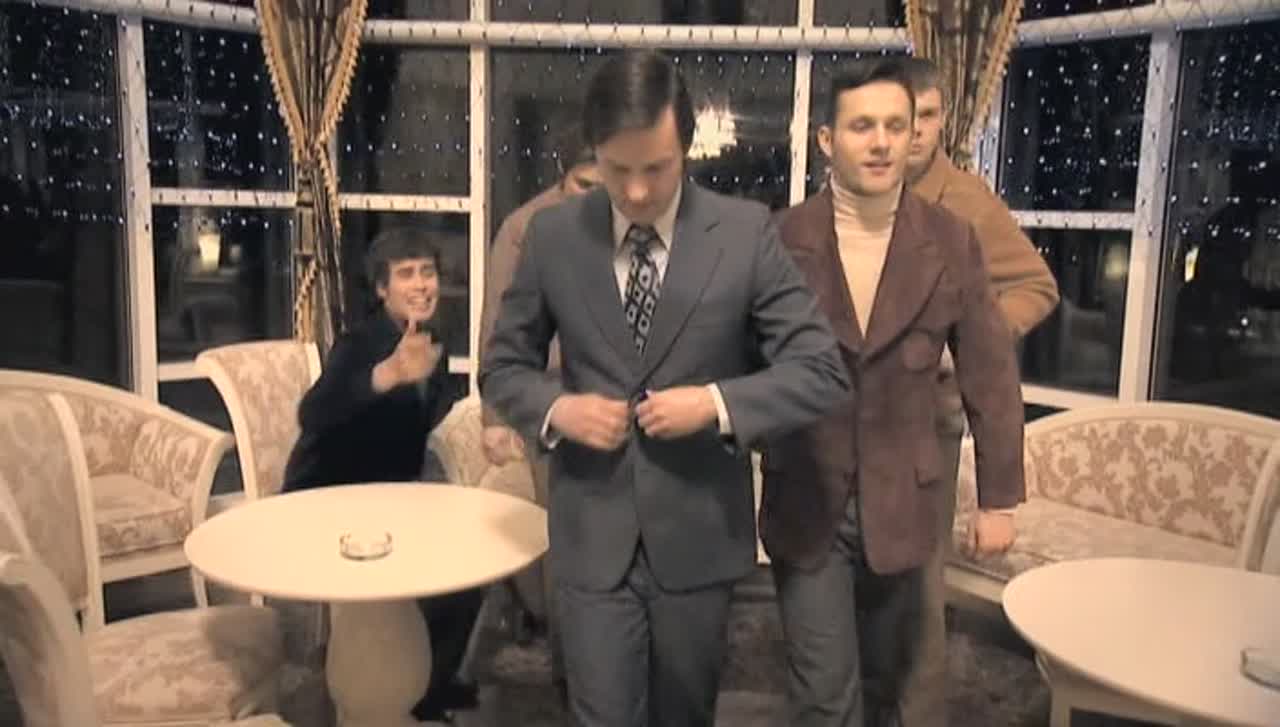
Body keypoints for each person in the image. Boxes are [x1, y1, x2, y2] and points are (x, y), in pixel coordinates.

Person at [480, 49, 851, 727]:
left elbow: (819, 369)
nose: (637, 191)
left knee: (685, 715)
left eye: (656, 168)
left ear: (687, 146)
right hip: (592, 533)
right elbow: (502, 366)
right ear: (593, 150)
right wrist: (557, 408)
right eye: (616, 169)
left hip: (698, 532)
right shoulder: (553, 236)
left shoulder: (744, 232)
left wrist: (716, 404)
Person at [762, 58, 1027, 726]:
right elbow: (740, 358)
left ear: (913, 134)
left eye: (894, 126)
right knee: (824, 694)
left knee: (892, 688)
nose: (880, 142)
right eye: (861, 127)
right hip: (806, 496)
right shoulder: (779, 238)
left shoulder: (952, 240)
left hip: (906, 501)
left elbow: (991, 372)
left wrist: (998, 498)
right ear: (828, 139)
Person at [898, 55, 1060, 727]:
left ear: (942, 121)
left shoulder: (965, 200)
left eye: (928, 116)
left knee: (916, 593)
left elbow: (1037, 286)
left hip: (925, 424)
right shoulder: (848, 195)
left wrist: (969, 338)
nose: (912, 131)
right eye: (902, 116)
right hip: (847, 419)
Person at [281, 227, 483, 722]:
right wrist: (386, 375)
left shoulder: (432, 339)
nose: (421, 285)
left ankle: (425, 688)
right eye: (406, 274)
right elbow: (313, 413)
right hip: (328, 495)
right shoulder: (360, 343)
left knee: (467, 574)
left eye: (428, 272)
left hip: (390, 494)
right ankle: (380, 693)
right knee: (419, 580)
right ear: (381, 288)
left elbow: (422, 419)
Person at [477, 126, 601, 692]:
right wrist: (496, 419)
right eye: (584, 185)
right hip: (550, 406)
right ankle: (570, 677)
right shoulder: (525, 228)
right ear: (561, 177)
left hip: (624, 404)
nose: (597, 197)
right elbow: (497, 332)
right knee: (564, 546)